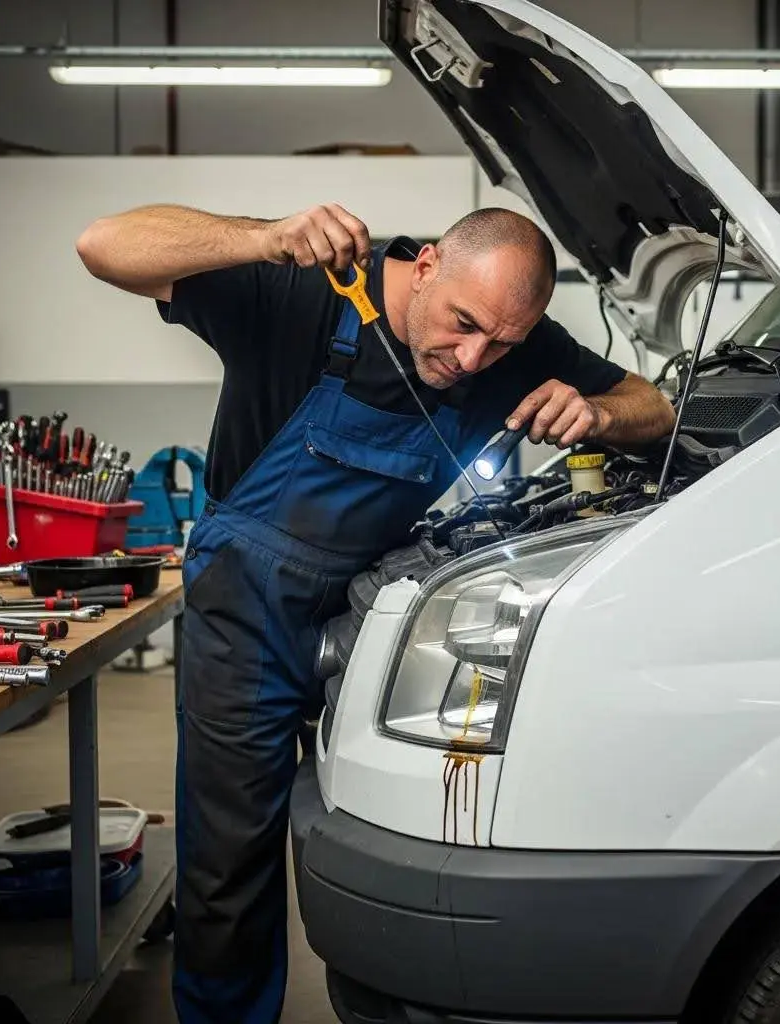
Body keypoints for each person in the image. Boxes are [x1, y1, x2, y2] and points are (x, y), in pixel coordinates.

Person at [76, 201, 675, 1024]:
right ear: (426, 264)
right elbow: (103, 244)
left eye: (500, 343)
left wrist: (602, 414)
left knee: (390, 831)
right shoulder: (301, 290)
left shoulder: (513, 341)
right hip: (247, 611)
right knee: (228, 859)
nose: (473, 359)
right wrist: (263, 238)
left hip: (377, 616)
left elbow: (656, 404)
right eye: (463, 325)